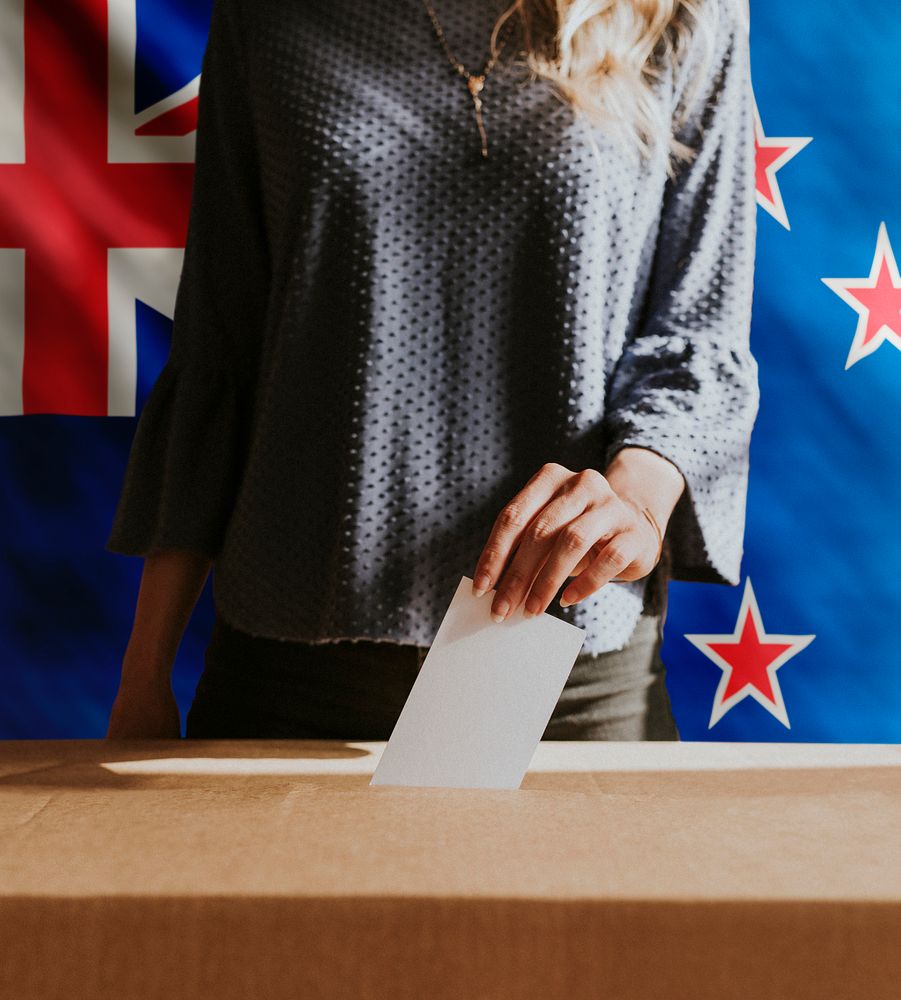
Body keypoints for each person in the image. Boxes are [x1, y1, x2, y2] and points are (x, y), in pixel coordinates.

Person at [104, 0, 758, 742]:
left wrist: (634, 503)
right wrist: (143, 674)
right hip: (289, 668)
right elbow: (220, 342)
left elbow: (698, 336)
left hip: (568, 667)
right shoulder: (265, 17)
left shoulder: (678, 14)